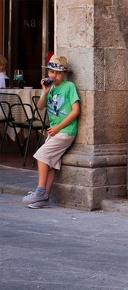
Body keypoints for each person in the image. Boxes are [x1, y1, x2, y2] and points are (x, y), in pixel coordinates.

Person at [22, 55, 80, 209]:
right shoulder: (50, 88)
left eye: (58, 73)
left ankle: (40, 191)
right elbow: (40, 107)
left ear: (64, 74)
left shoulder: (69, 87)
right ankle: (44, 199)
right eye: (51, 72)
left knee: (41, 156)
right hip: (54, 131)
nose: (54, 75)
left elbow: (75, 111)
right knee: (52, 164)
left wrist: (58, 128)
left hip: (65, 130)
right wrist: (45, 91)